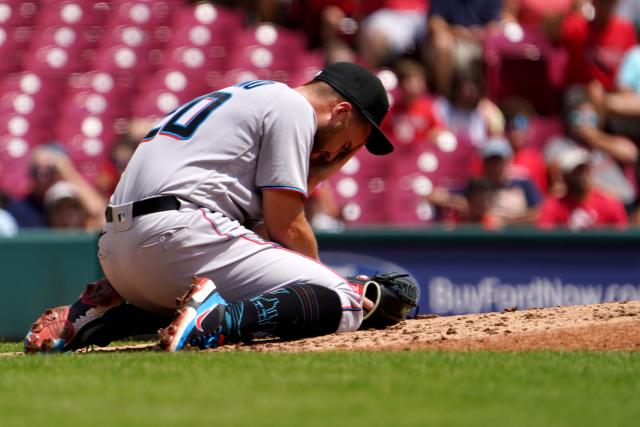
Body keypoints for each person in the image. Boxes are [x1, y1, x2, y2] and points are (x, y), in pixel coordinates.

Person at [24, 62, 394, 353]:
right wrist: (320, 283)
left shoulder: (249, 97)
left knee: (264, 283)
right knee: (345, 299)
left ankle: (103, 316)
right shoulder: (294, 108)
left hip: (119, 251)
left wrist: (332, 161)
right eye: (350, 145)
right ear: (342, 111)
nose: (339, 154)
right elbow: (287, 226)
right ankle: (217, 320)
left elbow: (267, 222)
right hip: (178, 232)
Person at [538, 146, 628, 229]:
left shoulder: (610, 204)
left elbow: (623, 238)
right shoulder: (553, 206)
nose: (583, 174)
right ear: (565, 176)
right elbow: (545, 238)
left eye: (586, 168)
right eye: (577, 171)